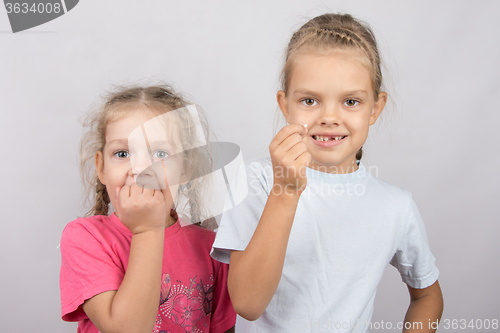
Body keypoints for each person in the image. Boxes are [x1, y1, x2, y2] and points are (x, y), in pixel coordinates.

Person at [211, 13, 443, 332]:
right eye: (310, 100)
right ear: (285, 104)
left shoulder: (396, 206)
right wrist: (287, 191)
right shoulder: (255, 181)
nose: (329, 117)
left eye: (350, 101)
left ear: (375, 107)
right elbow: (248, 304)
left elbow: (426, 295)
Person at [60, 85, 236, 333]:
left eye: (160, 153)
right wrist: (147, 230)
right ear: (101, 168)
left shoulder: (212, 248)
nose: (140, 168)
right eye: (122, 153)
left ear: (185, 169)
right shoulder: (86, 238)